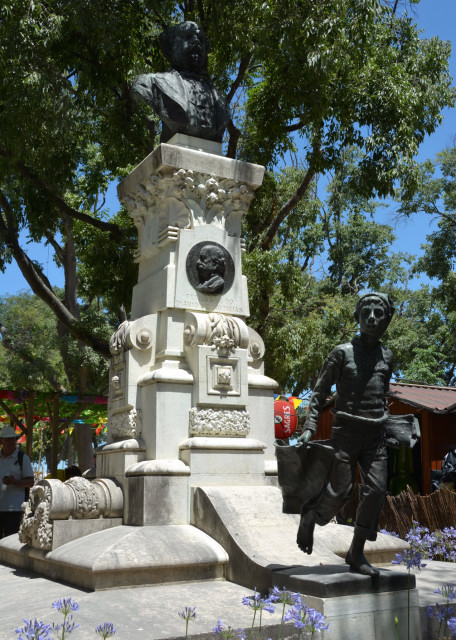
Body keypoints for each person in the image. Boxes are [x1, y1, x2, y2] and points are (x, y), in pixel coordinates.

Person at [296, 292, 395, 576]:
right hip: (347, 431)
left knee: (377, 490)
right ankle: (311, 517)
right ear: (357, 318)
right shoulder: (342, 353)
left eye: (379, 314)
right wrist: (310, 426)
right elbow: (319, 392)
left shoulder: (387, 356)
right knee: (340, 490)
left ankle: (356, 551)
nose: (373, 319)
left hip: (376, 435)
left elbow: (381, 394)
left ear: (387, 319)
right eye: (367, 313)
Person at [132, 21, 230, 143]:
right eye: (187, 36)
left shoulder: (220, 100)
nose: (196, 41)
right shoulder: (150, 83)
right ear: (170, 46)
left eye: (201, 38)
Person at [0, 425, 34, 538]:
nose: (10, 442)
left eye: (12, 439)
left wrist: (14, 482)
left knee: (11, 543)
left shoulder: (23, 458)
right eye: (7, 439)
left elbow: (30, 482)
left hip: (15, 509)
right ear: (1, 441)